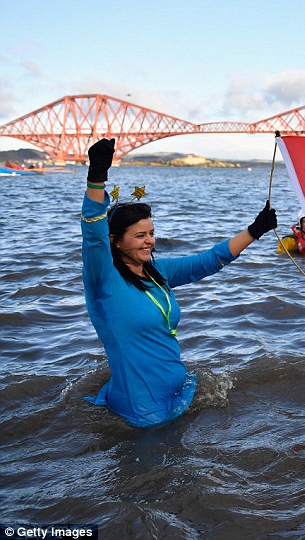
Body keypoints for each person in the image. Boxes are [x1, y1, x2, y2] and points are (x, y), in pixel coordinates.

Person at [81, 138, 277, 427]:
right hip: (141, 407)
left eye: (151, 233)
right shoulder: (103, 279)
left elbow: (209, 261)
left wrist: (254, 231)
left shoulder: (157, 271)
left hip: (179, 390)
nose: (150, 241)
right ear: (115, 241)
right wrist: (97, 177)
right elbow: (92, 232)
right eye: (139, 236)